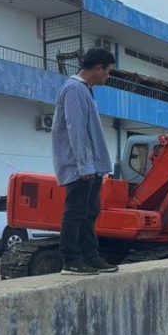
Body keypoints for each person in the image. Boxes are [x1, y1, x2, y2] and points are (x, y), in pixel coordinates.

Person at [52, 47, 118, 275]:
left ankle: (90, 256)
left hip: (93, 165)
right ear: (98, 68)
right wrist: (84, 165)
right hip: (80, 165)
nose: (108, 76)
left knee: (90, 211)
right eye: (108, 71)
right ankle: (71, 260)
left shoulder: (86, 90)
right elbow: (76, 129)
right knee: (76, 211)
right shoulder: (74, 89)